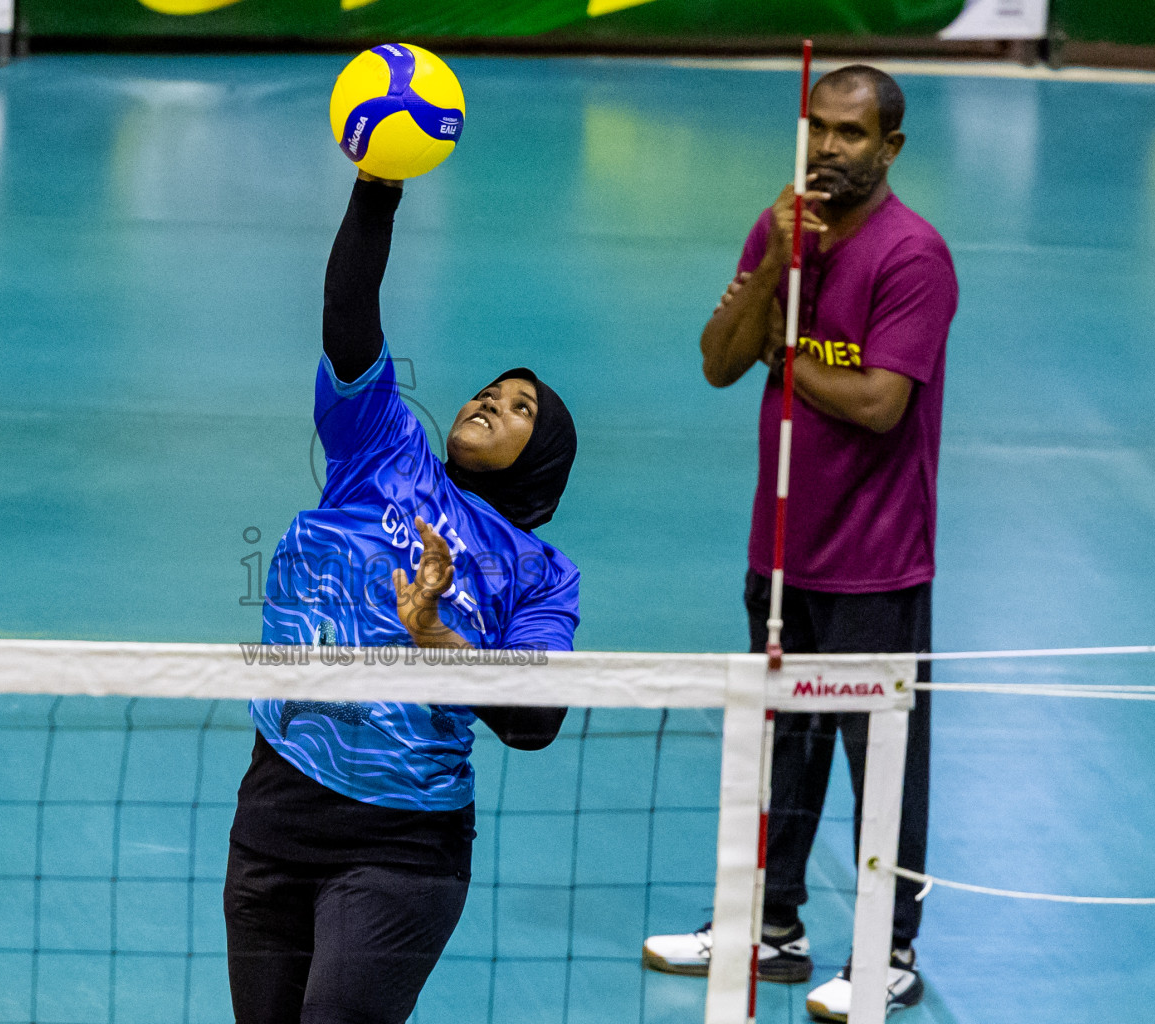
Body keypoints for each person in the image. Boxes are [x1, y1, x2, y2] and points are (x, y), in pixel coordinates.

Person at [224, 171, 580, 1024]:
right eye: (492, 388)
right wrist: (377, 186)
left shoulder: (539, 570)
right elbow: (350, 312)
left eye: (522, 406)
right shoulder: (383, 448)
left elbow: (535, 720)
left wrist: (433, 636)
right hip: (277, 801)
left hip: (403, 843)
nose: (494, 398)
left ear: (545, 459)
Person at [641, 66, 956, 1022]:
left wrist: (786, 353)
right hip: (780, 548)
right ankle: (768, 927)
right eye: (818, 127)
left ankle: (886, 949)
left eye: (852, 134)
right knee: (781, 745)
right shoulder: (779, 229)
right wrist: (777, 265)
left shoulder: (914, 257)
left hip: (875, 558)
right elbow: (715, 362)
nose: (827, 148)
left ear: (889, 148)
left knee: (882, 762)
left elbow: (878, 403)